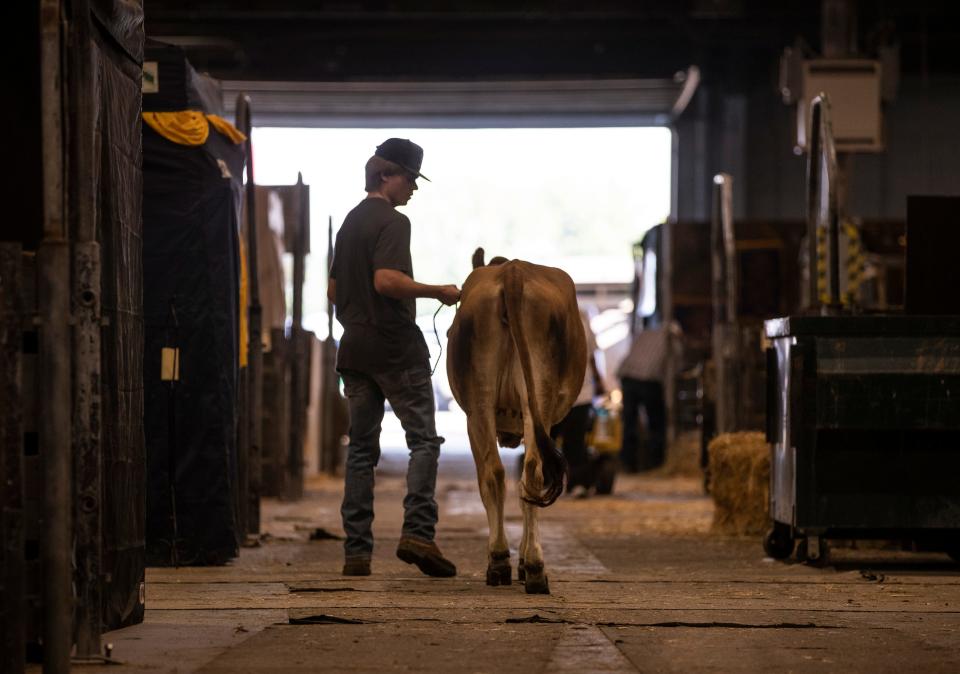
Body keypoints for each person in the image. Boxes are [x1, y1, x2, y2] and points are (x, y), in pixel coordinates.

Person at [327, 138, 461, 578]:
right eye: (409, 178)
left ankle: (356, 553)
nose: (413, 189)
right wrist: (436, 290)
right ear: (385, 174)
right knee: (424, 441)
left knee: (362, 450)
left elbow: (332, 291)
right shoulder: (393, 221)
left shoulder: (348, 223)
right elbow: (386, 280)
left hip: (355, 349)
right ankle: (419, 534)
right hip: (394, 347)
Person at [550, 307, 604, 497]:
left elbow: (590, 356)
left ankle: (574, 483)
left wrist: (598, 380)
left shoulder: (581, 318)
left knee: (571, 441)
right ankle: (550, 482)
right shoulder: (549, 320)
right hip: (554, 395)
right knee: (554, 440)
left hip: (577, 392)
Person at [616, 321, 682, 472]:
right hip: (649, 379)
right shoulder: (672, 340)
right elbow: (676, 368)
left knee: (629, 422)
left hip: (627, 376)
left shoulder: (646, 333)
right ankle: (655, 463)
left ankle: (628, 463)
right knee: (656, 421)